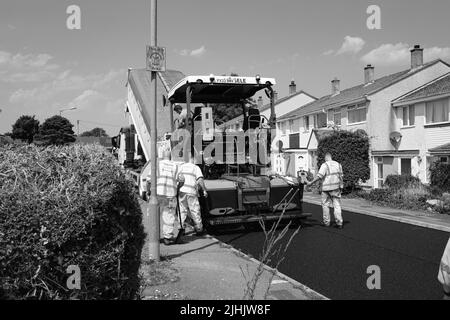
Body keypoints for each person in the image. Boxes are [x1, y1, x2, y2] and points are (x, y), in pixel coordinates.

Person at [307, 152, 344, 229]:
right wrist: (341, 187)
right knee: (337, 205)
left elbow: (319, 176)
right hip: (336, 189)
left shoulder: (325, 165)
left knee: (325, 205)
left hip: (326, 189)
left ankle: (327, 222)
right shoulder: (338, 165)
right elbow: (341, 177)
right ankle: (339, 223)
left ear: (326, 158)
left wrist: (311, 182)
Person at [155, 150, 184, 245]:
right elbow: (182, 179)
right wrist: (178, 188)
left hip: (158, 194)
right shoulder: (176, 166)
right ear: (170, 156)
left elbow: (149, 179)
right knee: (169, 215)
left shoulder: (157, 165)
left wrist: (148, 192)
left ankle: (155, 237)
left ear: (162, 156)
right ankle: (167, 237)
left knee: (155, 215)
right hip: (171, 195)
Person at [177, 156, 208, 236]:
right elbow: (200, 180)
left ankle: (181, 228)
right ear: (193, 159)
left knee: (182, 210)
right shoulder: (195, 167)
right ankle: (199, 229)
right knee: (195, 210)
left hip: (182, 191)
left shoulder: (181, 167)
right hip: (191, 192)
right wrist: (204, 190)